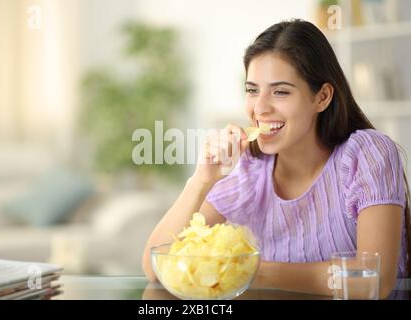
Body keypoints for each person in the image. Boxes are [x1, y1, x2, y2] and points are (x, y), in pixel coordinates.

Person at [142, 19, 410, 299]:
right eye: (252, 90)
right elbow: (155, 268)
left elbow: (374, 280)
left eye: (280, 92)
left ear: (322, 97)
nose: (260, 108)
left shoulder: (367, 154)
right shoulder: (249, 171)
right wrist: (202, 180)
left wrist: (253, 272)